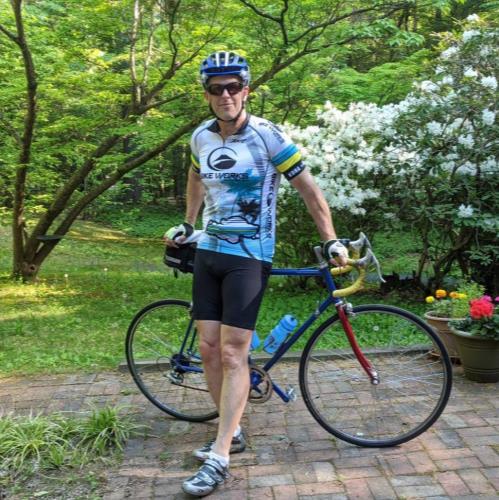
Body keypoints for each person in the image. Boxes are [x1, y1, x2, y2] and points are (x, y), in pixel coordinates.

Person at [164, 51, 348, 497]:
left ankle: (220, 456)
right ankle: (233, 431)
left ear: (246, 90)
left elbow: (309, 190)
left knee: (233, 353)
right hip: (209, 252)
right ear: (207, 94)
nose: (225, 95)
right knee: (209, 349)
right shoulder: (201, 137)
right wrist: (188, 222)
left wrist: (330, 239)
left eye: (233, 87)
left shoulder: (267, 135)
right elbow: (195, 177)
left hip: (249, 256)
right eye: (216, 89)